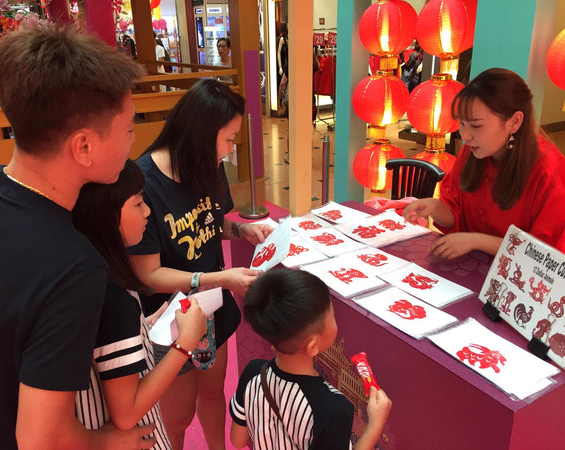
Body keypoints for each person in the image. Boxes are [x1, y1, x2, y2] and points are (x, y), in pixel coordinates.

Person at [0, 25, 154, 449]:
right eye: (127, 128)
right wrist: (108, 442)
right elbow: (41, 439)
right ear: (83, 146)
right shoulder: (73, 266)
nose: (133, 139)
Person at [128, 78, 273, 450]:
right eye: (228, 138)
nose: (230, 149)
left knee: (212, 395)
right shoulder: (144, 183)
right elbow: (148, 274)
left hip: (212, 307)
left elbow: (211, 220)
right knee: (177, 417)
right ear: (200, 134)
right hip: (171, 318)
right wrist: (218, 277)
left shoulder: (208, 163)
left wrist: (241, 231)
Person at [72, 160, 207, 449]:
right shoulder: (113, 297)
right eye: (138, 203)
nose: (148, 211)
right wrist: (186, 342)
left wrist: (143, 327)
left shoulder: (88, 273)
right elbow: (127, 410)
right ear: (105, 215)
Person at [403, 68, 565, 259]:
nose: (465, 136)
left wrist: (476, 241)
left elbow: (542, 255)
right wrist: (434, 207)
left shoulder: (548, 170)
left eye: (476, 125)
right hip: (474, 267)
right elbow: (456, 215)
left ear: (514, 121)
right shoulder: (473, 152)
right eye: (462, 124)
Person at [229, 268, 392, 450]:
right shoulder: (334, 407)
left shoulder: (253, 372)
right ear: (313, 346)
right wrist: (375, 425)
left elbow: (237, 440)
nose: (334, 321)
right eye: (332, 317)